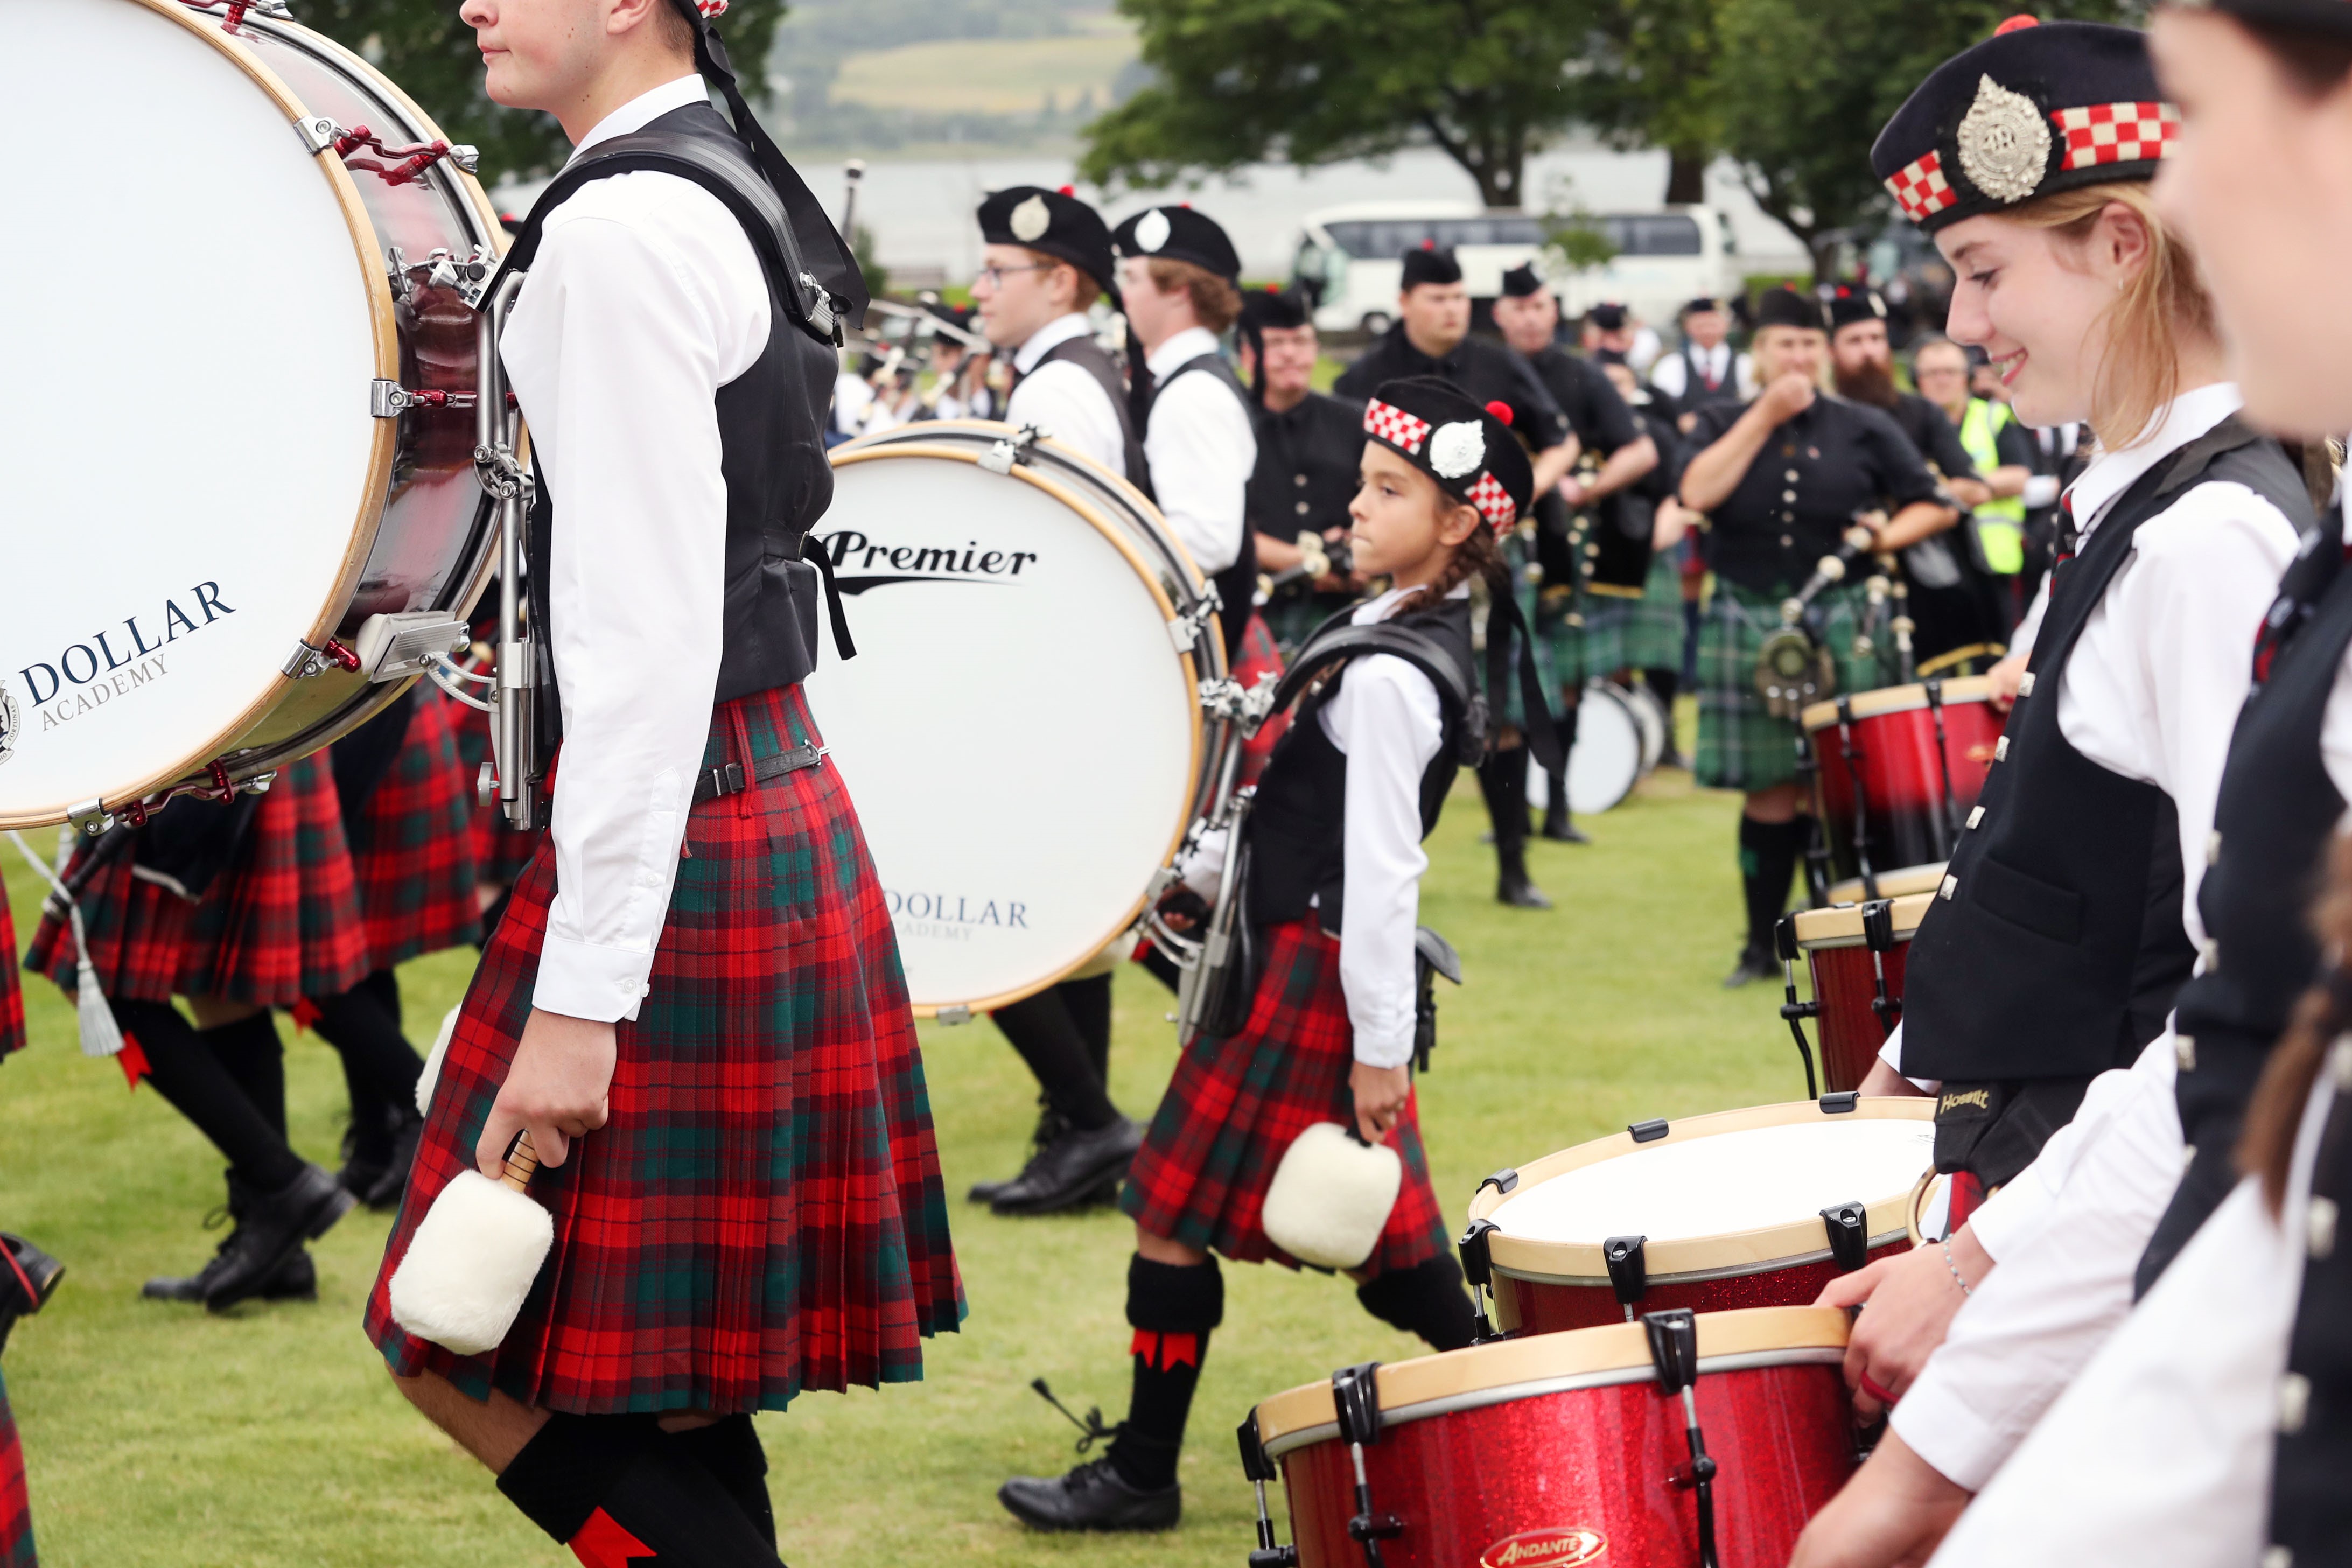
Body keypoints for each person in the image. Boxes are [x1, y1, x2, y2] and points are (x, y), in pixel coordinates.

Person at [363, 4, 961, 1563]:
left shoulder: (626, 231)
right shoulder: (718, 178)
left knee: (442, 1329)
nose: (472, 3)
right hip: (747, 801)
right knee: (674, 1395)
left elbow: (645, 639)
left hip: (682, 825)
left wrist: (583, 1001)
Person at [1786, 19, 2313, 1565]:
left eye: (1986, 268)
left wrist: (1985, 1262)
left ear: (2121, 242)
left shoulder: (2210, 543)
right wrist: (1913, 1054)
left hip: (2112, 1225)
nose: (1960, 322)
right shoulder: (2144, 502)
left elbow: (2233, 993)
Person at [996, 377, 1523, 1532]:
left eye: (1391, 492)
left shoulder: (1393, 671)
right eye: (1364, 484)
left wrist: (1380, 1049)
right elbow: (1296, 804)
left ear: (1457, 525)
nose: (1360, 505)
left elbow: (1384, 872)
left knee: (1172, 1211)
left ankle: (1144, 1471)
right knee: (1387, 1254)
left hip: (1317, 970)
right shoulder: (1384, 624)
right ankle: (1527, 1396)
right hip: (1294, 956)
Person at [961, 183, 1154, 1216]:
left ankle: (1086, 1118)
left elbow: (1058, 558)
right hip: (1074, 686)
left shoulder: (1055, 392)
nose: (979, 287)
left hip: (1051, 684)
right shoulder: (1072, 374)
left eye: (1000, 272)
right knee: (1065, 916)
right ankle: (1079, 1130)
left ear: (1060, 280)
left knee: (993, 910)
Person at [1679, 286, 1958, 985]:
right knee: (1769, 790)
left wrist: (1880, 538)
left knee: (1840, 784)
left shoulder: (1864, 426)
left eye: (1808, 345)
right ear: (1760, 354)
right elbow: (1696, 494)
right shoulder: (1718, 419)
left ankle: (1840, 936)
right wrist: (1763, 417)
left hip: (1841, 620)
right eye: (1784, 346)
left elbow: (1937, 501)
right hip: (1747, 617)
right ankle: (1757, 945)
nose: (1799, 357)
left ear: (1824, 353)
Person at [25, 758, 369, 1310]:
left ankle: (282, 1185)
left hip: (200, 753)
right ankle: (282, 1251)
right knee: (223, 986)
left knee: (101, 979)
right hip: (247, 745)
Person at [1335, 246, 1575, 907]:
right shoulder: (1367, 373)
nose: (1452, 310)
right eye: (1438, 298)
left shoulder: (1498, 361)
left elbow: (1561, 440)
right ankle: (1372, 861)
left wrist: (1506, 509)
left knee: (1502, 712)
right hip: (1397, 563)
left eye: (1459, 297)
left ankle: (1514, 865)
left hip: (1486, 559)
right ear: (1406, 299)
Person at [1493, 263, 1661, 839]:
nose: (1531, 317)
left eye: (1540, 306)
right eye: (1519, 308)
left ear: (1553, 311)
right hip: (1494, 551)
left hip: (1565, 550)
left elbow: (1639, 453)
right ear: (1500, 314)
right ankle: (1509, 814)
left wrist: (1586, 488)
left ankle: (1559, 808)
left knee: (1561, 681)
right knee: (1500, 679)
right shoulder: (1485, 369)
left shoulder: (1582, 376)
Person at [326, 685, 482, 1210]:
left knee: (327, 971)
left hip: (372, 723)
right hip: (369, 718)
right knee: (363, 961)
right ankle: (377, 1142)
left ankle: (429, 1120)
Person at [1825, 286, 2002, 667]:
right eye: (1855, 341)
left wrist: (1908, 503)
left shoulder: (1921, 414)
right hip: (1840, 569)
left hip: (1928, 583)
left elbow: (1974, 489)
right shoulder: (1821, 419)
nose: (1869, 350)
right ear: (1832, 352)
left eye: (1876, 338)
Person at [1237, 286, 1366, 656]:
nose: (1291, 353)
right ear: (1248, 355)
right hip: (1257, 610)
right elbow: (1219, 525)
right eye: (1276, 343)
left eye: (1301, 341)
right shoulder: (1228, 424)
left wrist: (1362, 549)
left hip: (1343, 609)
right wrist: (1304, 562)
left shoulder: (1354, 421)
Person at [1598, 352, 1699, 769]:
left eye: (1622, 383)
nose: (1616, 392)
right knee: (1606, 654)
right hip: (1600, 554)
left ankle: (1666, 740)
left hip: (1651, 551)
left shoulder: (1657, 431)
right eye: (1608, 384)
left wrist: (1664, 528)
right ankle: (1612, 739)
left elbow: (1679, 488)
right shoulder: (1588, 432)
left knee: (1662, 652)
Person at [1913, 334, 2050, 631]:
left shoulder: (1993, 416)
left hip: (1992, 562)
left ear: (1967, 377)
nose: (1942, 381)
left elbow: (2019, 476)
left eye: (1950, 372)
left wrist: (1965, 489)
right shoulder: (1907, 424)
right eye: (1932, 374)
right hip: (1933, 562)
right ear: (1917, 380)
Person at [1648, 295, 1755, 421]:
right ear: (1688, 327)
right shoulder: (1670, 366)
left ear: (1726, 326)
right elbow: (1663, 409)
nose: (1707, 332)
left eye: (1713, 325)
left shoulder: (1746, 364)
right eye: (1700, 326)